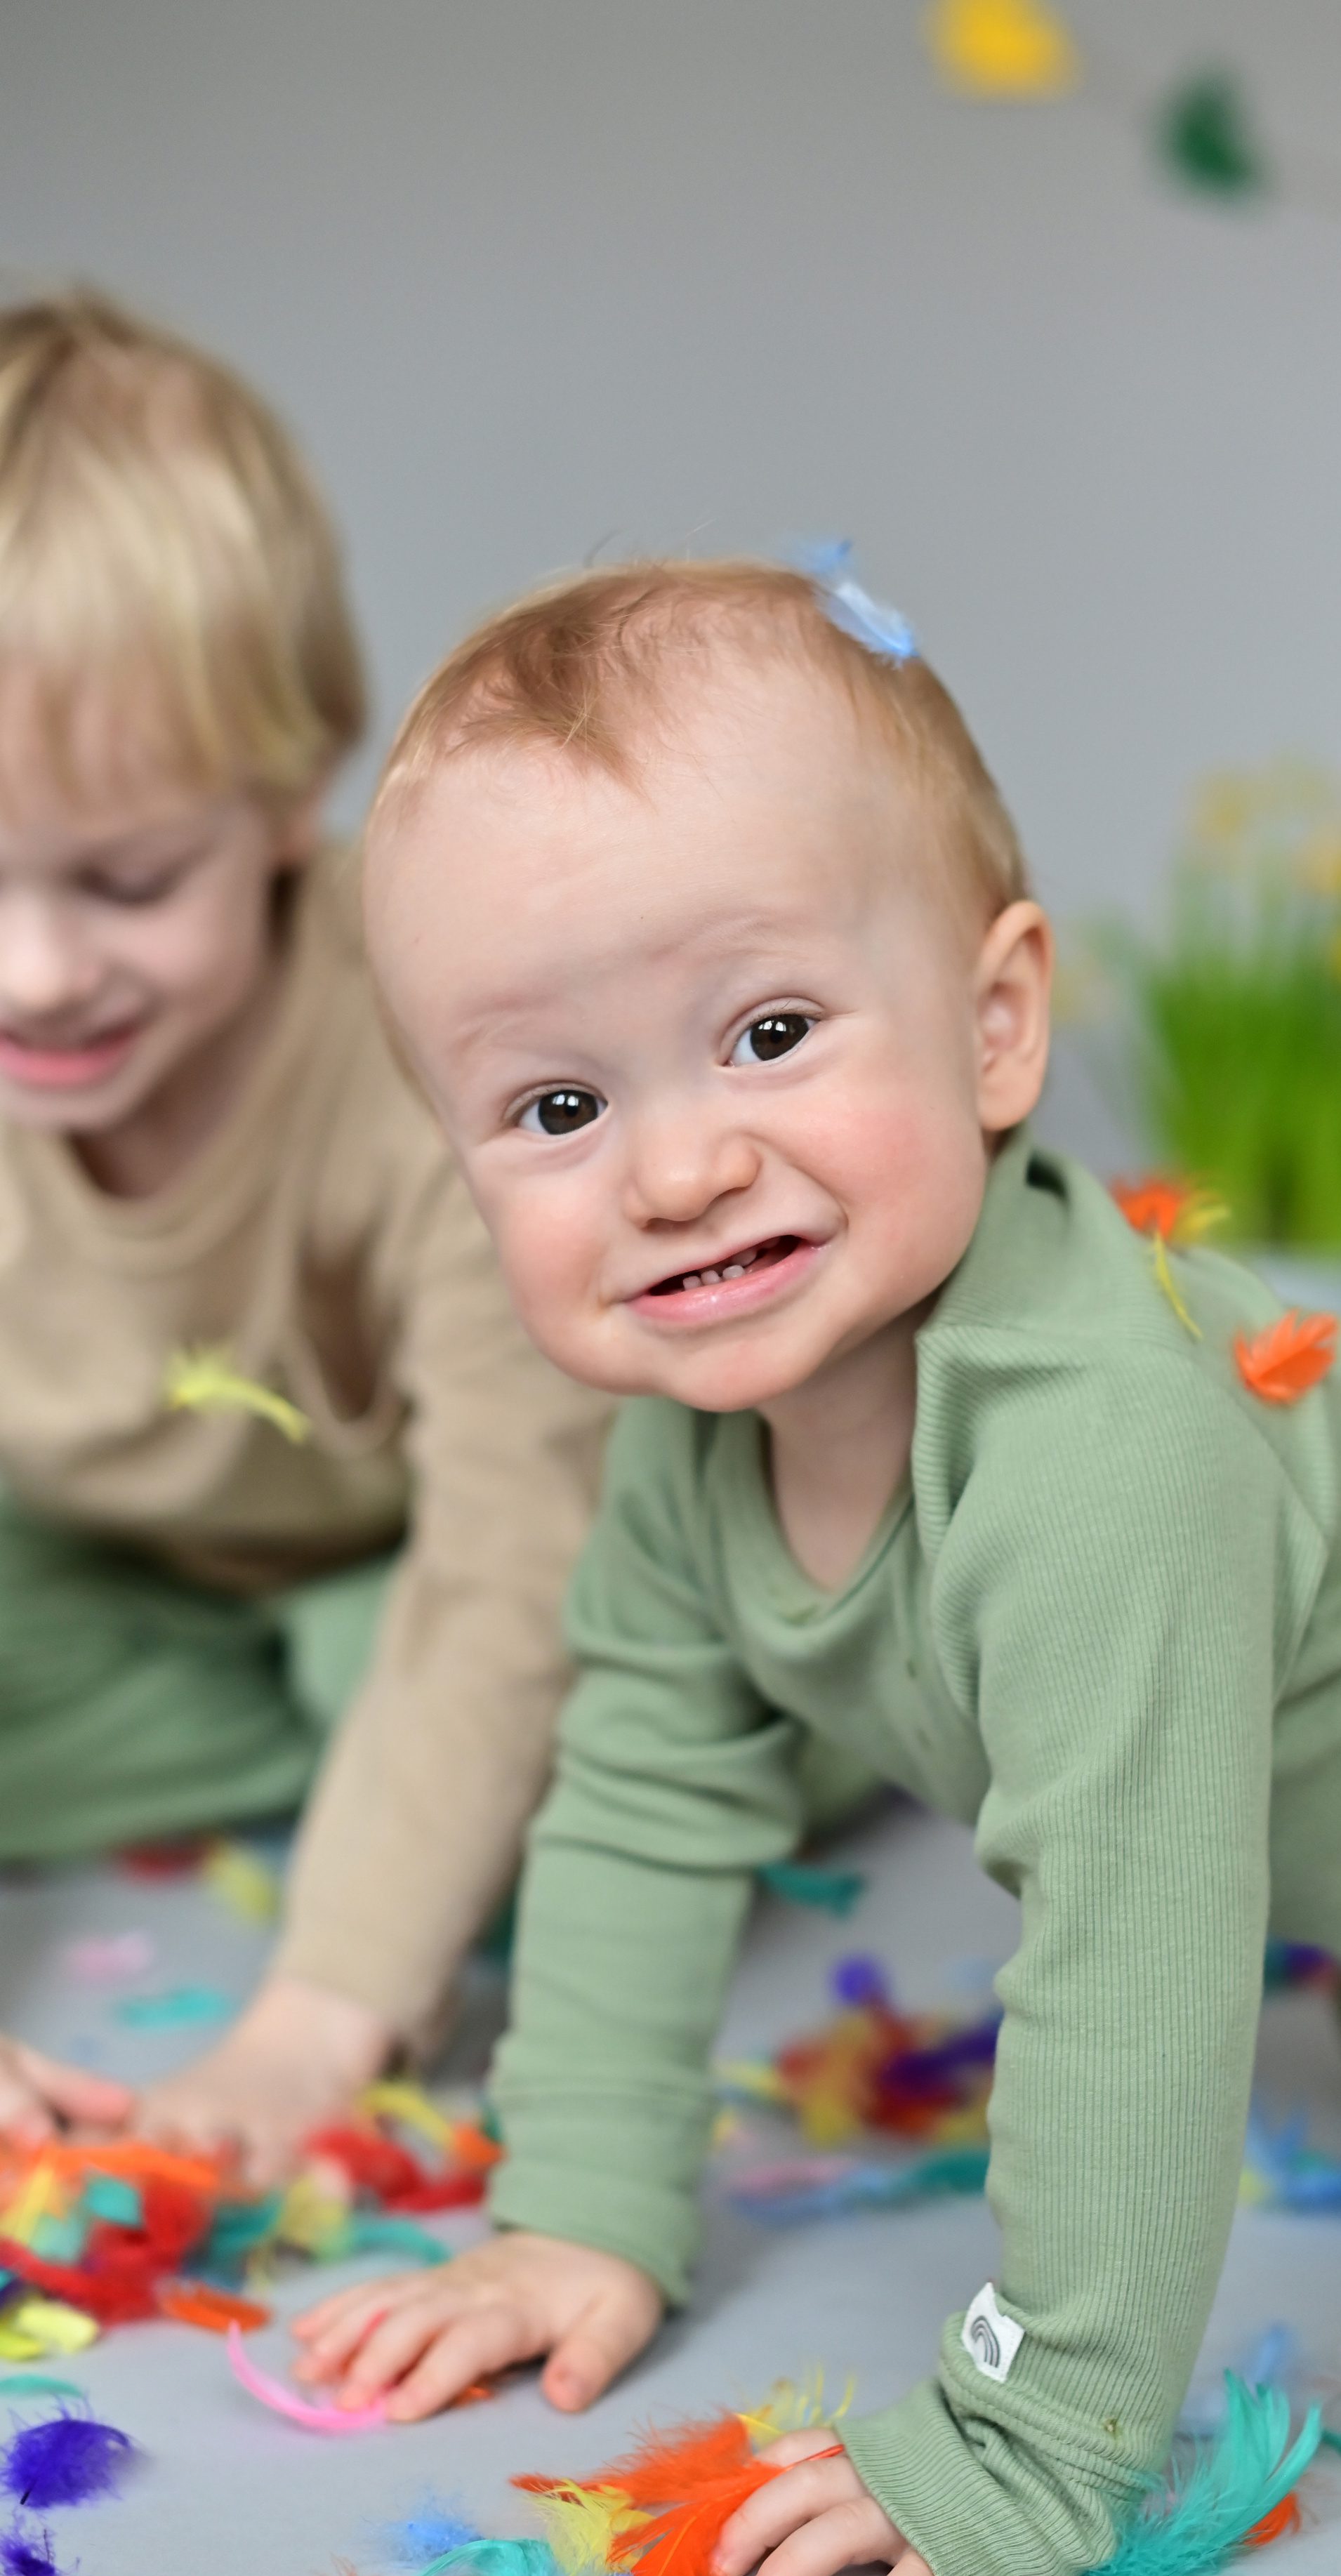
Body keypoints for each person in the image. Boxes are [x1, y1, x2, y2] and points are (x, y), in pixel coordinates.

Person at [300, 556, 1341, 2576]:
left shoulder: (1102, 1454)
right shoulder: (684, 1447)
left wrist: (1042, 2436)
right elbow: (642, 1795)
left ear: (999, 1026)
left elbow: (1132, 1960)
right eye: (559, 1106)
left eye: (770, 1033)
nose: (674, 1171)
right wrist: (580, 2212)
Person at [0, 291, 609, 2184]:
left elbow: (521, 1548)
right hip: (112, 1554)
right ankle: (327, 1754)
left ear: (288, 795)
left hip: (426, 1538)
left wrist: (315, 2016)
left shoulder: (431, 1042)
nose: (33, 970)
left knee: (589, 1661)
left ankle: (397, 1787)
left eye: (126, 879)